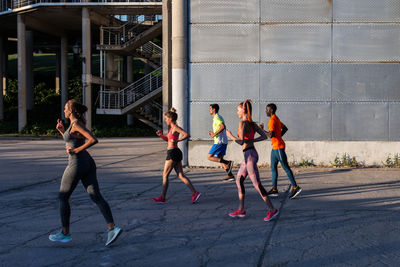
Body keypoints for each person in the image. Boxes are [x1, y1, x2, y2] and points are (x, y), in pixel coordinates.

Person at [49, 100, 122, 246]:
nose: (63, 111)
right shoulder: (74, 124)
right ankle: (112, 228)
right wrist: (62, 131)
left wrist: (76, 151)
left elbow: (93, 139)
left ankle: (64, 233)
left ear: (71, 110)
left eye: (65, 109)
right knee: (96, 196)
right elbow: (73, 140)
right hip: (87, 162)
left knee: (63, 197)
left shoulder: (76, 124)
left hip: (77, 163)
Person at [226, 100, 279, 222]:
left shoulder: (243, 123)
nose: (237, 111)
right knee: (239, 180)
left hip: (249, 156)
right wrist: (252, 141)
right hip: (249, 155)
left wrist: (231, 136)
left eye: (238, 109)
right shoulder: (252, 124)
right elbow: (264, 136)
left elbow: (241, 142)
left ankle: (272, 209)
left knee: (257, 184)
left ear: (243, 110)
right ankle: (241, 209)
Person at [152, 108, 201, 204]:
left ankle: (162, 197)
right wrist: (161, 135)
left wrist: (178, 140)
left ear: (170, 119)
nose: (165, 120)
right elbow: (168, 140)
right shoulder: (172, 129)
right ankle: (195, 193)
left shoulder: (175, 127)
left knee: (165, 175)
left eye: (166, 118)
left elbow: (187, 134)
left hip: (173, 153)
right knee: (180, 175)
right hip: (175, 152)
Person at [262, 103, 302, 199]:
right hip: (275, 147)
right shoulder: (276, 118)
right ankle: (274, 189)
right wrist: (279, 136)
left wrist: (262, 130)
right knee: (273, 167)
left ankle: (295, 187)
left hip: (279, 147)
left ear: (271, 110)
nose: (265, 111)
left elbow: (271, 135)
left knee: (285, 167)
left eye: (267, 110)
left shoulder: (272, 120)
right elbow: (285, 128)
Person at [207, 104, 234, 181]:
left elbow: (222, 126)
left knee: (209, 157)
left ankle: (228, 162)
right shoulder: (219, 117)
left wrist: (214, 134)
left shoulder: (217, 117)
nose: (209, 110)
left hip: (219, 141)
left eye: (210, 109)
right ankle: (230, 175)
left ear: (214, 110)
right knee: (219, 158)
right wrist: (213, 133)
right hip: (223, 141)